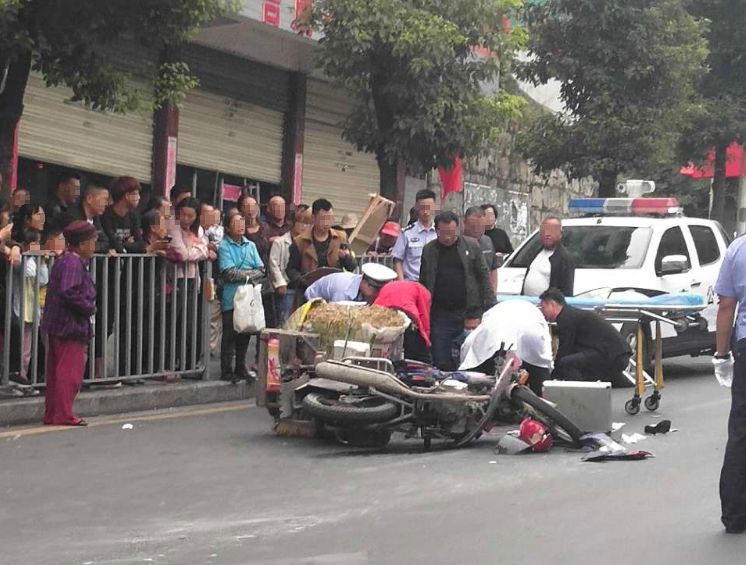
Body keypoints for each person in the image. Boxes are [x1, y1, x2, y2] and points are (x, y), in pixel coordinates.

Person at [419, 210, 495, 370]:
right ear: (437, 231)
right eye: (444, 233)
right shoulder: (429, 250)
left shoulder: (472, 246)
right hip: (440, 315)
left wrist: (489, 308)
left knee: (471, 359)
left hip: (468, 313)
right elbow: (424, 282)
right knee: (441, 360)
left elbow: (484, 278)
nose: (448, 237)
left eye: (452, 233)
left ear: (458, 229)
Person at [41, 221, 98, 426]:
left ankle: (53, 413)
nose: (94, 244)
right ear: (82, 244)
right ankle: (63, 413)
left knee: (56, 372)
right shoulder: (73, 263)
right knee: (69, 373)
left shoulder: (64, 260)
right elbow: (69, 291)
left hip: (58, 324)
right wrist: (88, 306)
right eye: (92, 240)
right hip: (69, 325)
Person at [713, 234, 746, 533]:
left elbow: (726, 306)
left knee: (741, 430)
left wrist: (721, 354)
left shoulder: (738, 248)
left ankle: (735, 515)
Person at [459, 300, 554, 396]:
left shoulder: (485, 323)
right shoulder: (532, 312)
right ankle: (544, 401)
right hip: (530, 329)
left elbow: (468, 354)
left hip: (498, 333)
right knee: (540, 379)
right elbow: (544, 354)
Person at [538, 288, 631, 382]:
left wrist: (550, 377)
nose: (542, 313)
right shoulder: (571, 314)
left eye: (543, 308)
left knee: (567, 362)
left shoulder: (566, 318)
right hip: (616, 353)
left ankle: (576, 393)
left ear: (552, 304)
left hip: (613, 355)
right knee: (575, 360)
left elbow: (565, 349)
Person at [218, 212, 264, 383]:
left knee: (245, 333)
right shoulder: (224, 246)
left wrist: (246, 275)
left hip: (248, 297)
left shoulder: (250, 245)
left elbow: (261, 269)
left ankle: (240, 367)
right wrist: (249, 274)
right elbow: (228, 272)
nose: (241, 225)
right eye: (236, 223)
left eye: (242, 222)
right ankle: (226, 370)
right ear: (228, 227)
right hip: (232, 297)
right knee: (229, 334)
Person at [168, 197, 209, 370]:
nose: (186, 219)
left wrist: (200, 249)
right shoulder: (174, 228)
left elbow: (205, 246)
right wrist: (200, 250)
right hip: (176, 280)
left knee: (190, 323)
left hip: (193, 280)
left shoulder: (196, 230)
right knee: (175, 323)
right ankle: (172, 362)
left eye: (190, 216)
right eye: (183, 214)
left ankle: (188, 362)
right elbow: (183, 254)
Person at [286, 198, 357, 290]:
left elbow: (352, 266)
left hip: (334, 289)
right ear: (313, 218)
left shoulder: (340, 237)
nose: (327, 223)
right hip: (308, 290)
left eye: (330, 219)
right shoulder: (300, 241)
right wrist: (302, 281)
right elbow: (291, 269)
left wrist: (346, 258)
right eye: (323, 219)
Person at [269, 208, 313, 326]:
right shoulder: (280, 242)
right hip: (287, 288)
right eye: (302, 222)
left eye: (308, 224)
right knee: (285, 321)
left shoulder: (309, 243)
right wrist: (280, 283)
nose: (305, 227)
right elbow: (273, 265)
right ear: (293, 223)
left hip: (304, 288)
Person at [373, 280, 432, 363]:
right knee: (414, 344)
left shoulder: (391, 285)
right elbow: (424, 317)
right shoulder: (424, 293)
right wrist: (426, 339)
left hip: (385, 313)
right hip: (407, 313)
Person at [522, 216, 575, 297]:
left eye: (552, 231)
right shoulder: (536, 252)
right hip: (529, 304)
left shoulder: (564, 258)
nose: (547, 234)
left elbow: (567, 290)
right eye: (544, 231)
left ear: (560, 234)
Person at [392, 189, 437, 281]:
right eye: (422, 207)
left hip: (434, 284)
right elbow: (397, 260)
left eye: (428, 207)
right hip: (412, 282)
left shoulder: (439, 232)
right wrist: (402, 283)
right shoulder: (407, 233)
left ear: (434, 207)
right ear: (416, 207)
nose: (425, 212)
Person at [305, 263, 397, 304]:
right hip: (312, 302)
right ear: (364, 283)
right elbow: (337, 316)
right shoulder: (343, 290)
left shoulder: (365, 291)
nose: (377, 294)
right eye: (376, 290)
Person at [101, 176, 145, 254]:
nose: (139, 197)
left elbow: (140, 245)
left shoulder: (133, 215)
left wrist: (123, 245)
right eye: (136, 194)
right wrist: (127, 245)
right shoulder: (105, 214)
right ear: (127, 196)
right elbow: (110, 242)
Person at [463, 206, 498, 293]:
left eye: (480, 227)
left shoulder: (488, 241)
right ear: (464, 223)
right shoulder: (458, 243)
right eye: (473, 226)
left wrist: (493, 292)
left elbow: (493, 269)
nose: (476, 230)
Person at [67, 183, 111, 253]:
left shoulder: (96, 218)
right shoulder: (72, 217)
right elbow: (79, 244)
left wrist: (92, 247)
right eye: (104, 200)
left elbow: (105, 243)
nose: (106, 204)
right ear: (89, 199)